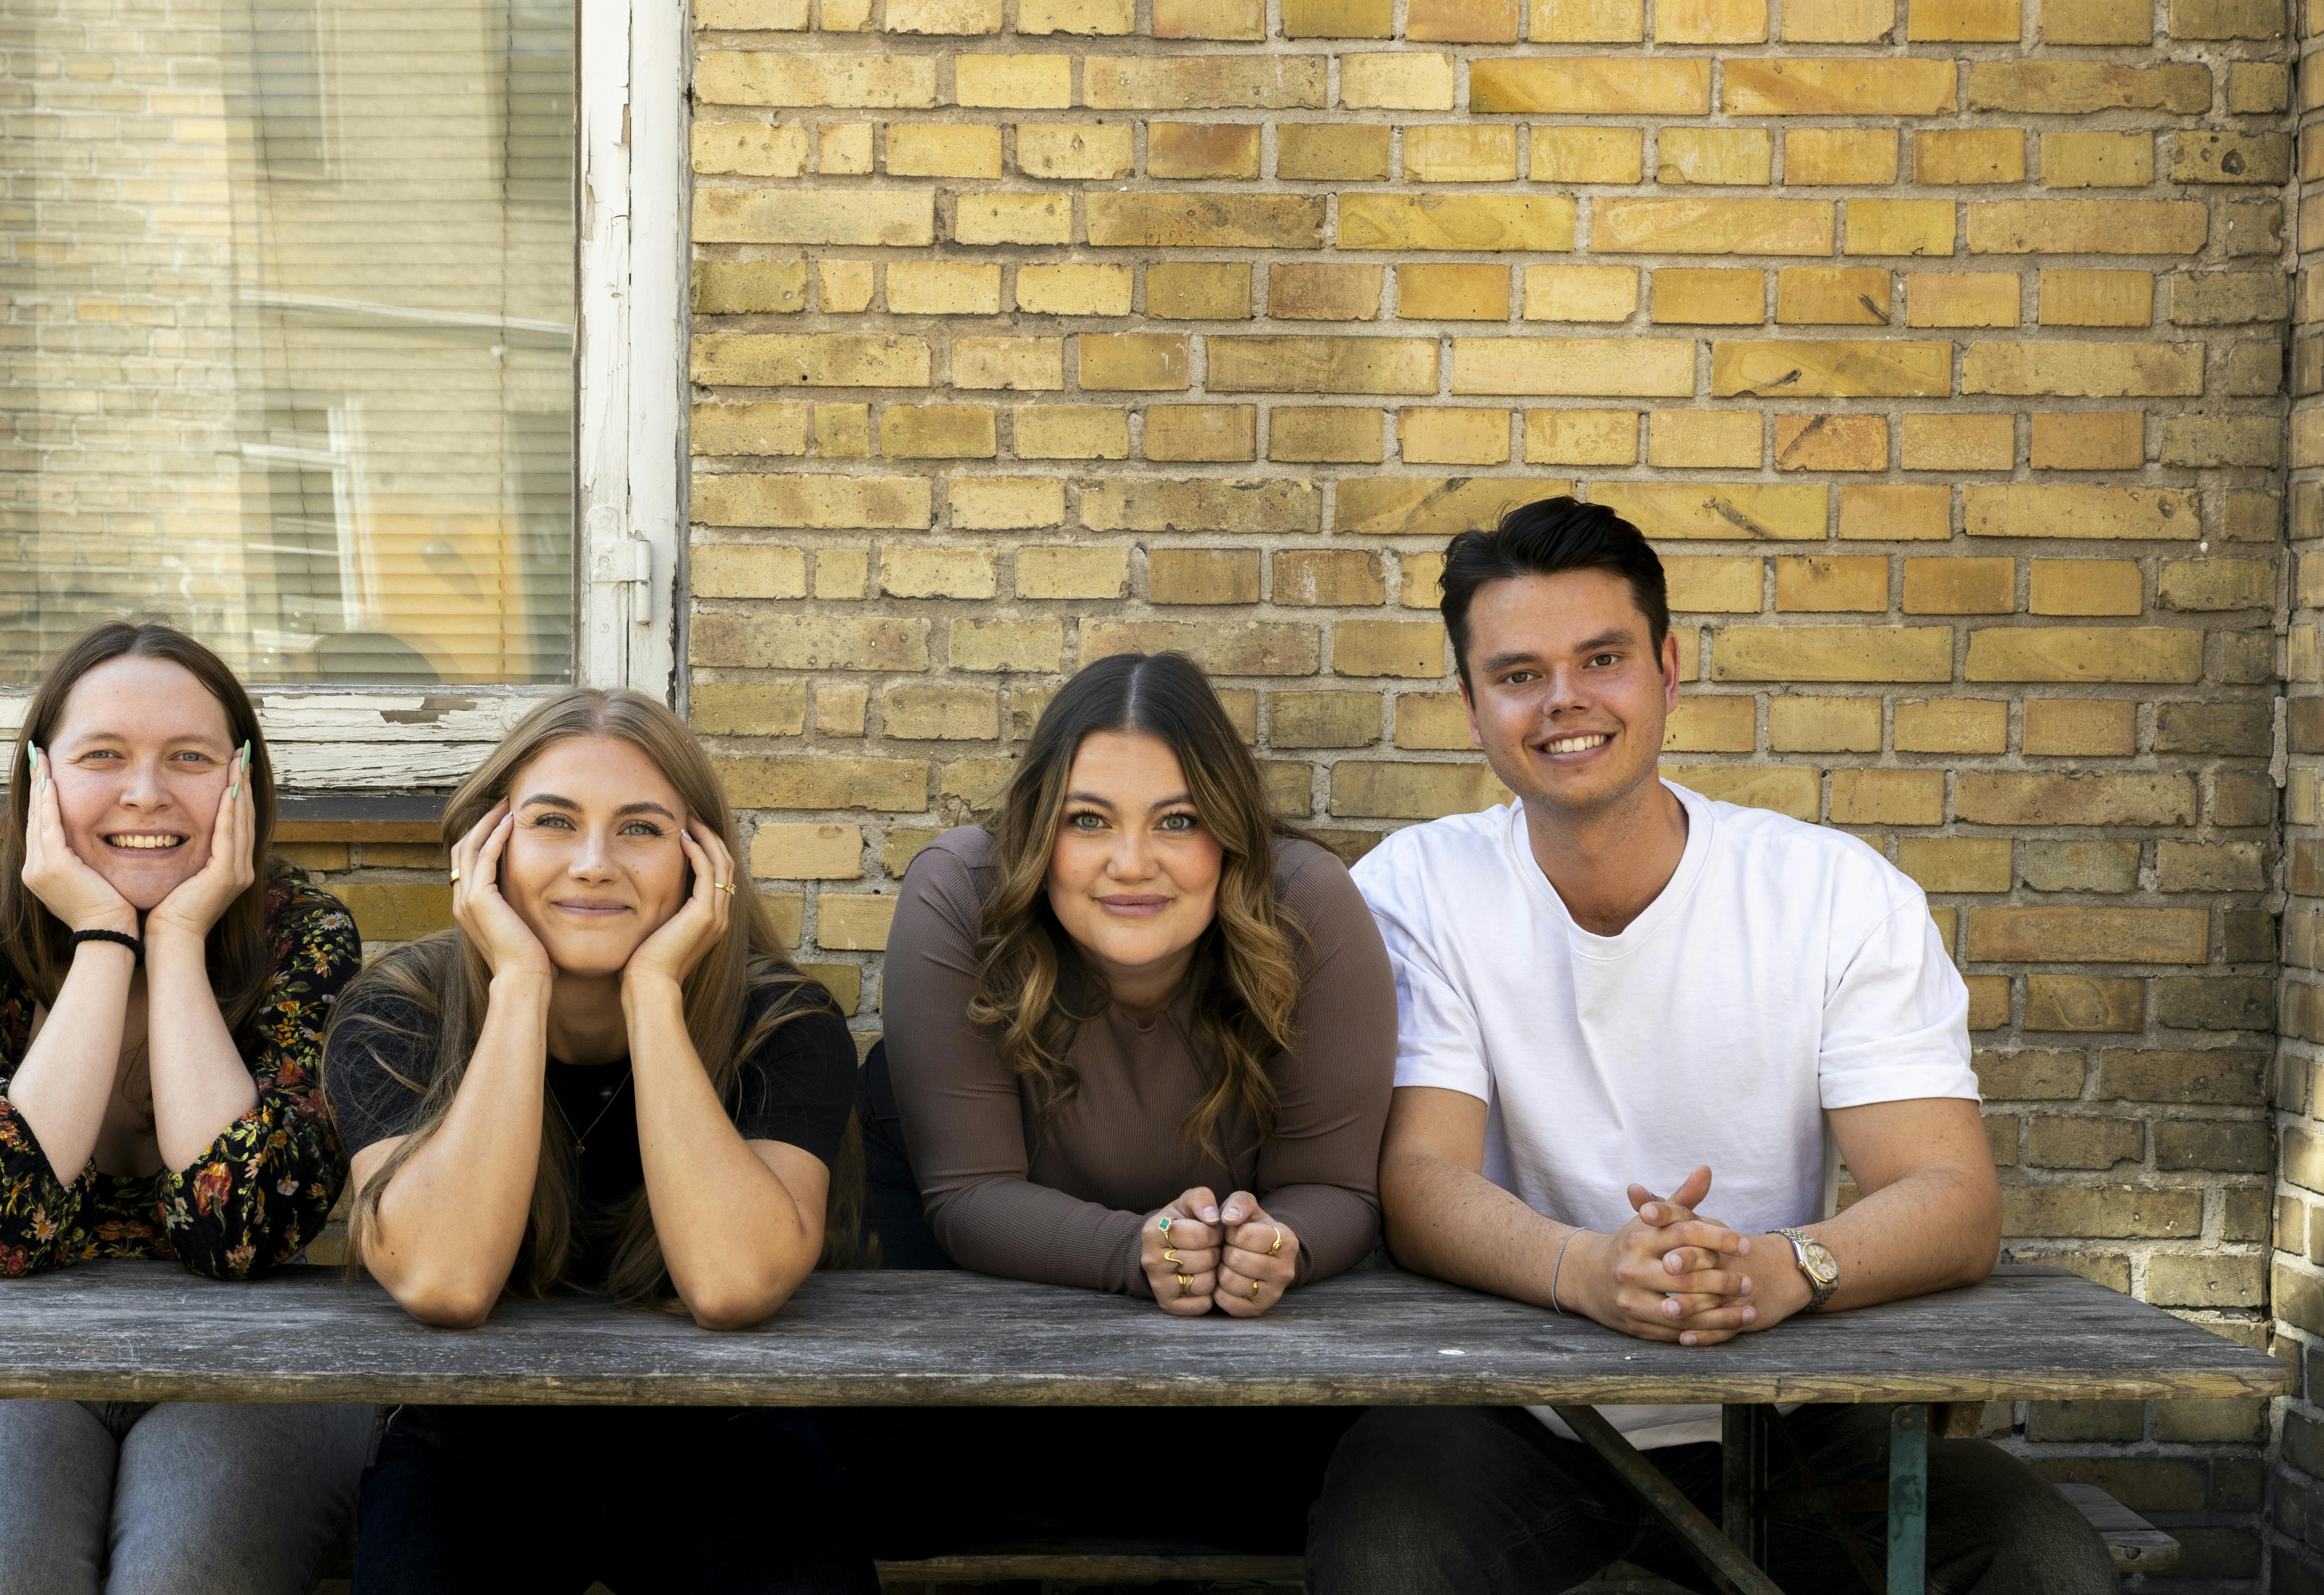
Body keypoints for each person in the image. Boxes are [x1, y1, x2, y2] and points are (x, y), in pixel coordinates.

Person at [1330, 497, 2114, 1592]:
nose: (1565, 700)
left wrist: (1778, 1267)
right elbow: (1420, 1177)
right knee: (1388, 1556)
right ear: (1470, 705)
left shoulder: (1834, 895)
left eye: (1601, 657)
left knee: (2044, 1558)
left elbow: (1951, 1193)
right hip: (1510, 1409)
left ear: (1668, 668)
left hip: (1787, 1404)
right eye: (1517, 674)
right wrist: (1589, 1268)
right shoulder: (1416, 888)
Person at [0, 622, 375, 1595]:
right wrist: (104, 933)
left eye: (189, 757)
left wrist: (177, 935)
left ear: (242, 781)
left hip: (253, 1373)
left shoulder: (301, 936)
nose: (147, 792)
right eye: (104, 756)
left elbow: (243, 1232)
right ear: (40, 779)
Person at [325, 686, 872, 1595]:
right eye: (553, 822)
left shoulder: (781, 1022)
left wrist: (656, 993)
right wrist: (519, 986)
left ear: (704, 859)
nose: (593, 863)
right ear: (487, 847)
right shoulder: (400, 1014)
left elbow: (735, 1285)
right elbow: (446, 1281)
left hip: (726, 1432)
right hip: (474, 1434)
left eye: (641, 829)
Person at [856, 649, 1396, 1564]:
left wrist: (1275, 1247)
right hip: (984, 1313)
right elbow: (970, 1192)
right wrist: (1136, 1250)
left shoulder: (1307, 902)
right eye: (1088, 820)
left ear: (1227, 833)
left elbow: (1338, 1186)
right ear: (1040, 831)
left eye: (1177, 820)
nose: (1131, 863)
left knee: (1328, 1478)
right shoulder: (961, 891)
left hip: (1227, 1344)